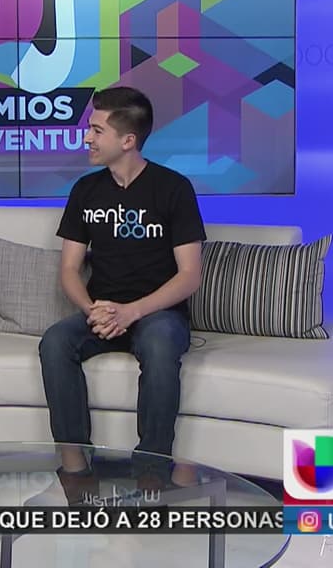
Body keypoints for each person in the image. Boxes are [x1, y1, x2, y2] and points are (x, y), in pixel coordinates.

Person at [39, 85, 206, 497]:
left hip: (157, 314)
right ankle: (76, 467)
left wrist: (132, 311)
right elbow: (69, 269)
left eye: (97, 131)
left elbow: (189, 276)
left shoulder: (173, 188)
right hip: (101, 311)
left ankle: (151, 471)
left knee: (161, 346)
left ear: (127, 140)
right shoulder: (85, 191)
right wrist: (92, 309)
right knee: (55, 341)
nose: (87, 138)